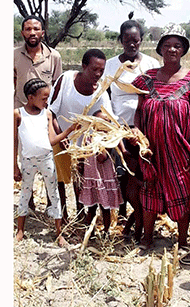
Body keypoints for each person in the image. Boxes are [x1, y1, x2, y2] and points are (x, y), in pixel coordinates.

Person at [132, 23, 190, 250]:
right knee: (150, 192)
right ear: (160, 49)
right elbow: (139, 111)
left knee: (182, 190)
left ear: (183, 50)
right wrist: (136, 131)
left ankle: (182, 242)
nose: (172, 50)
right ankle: (147, 239)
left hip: (180, 151)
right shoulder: (148, 78)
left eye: (177, 46)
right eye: (167, 45)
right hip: (151, 150)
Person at [102, 14, 160, 224]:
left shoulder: (152, 64)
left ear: (141, 40)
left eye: (135, 40)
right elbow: (102, 95)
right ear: (121, 40)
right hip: (119, 128)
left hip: (145, 128)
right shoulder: (110, 65)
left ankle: (142, 214)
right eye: (127, 40)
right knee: (121, 171)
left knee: (143, 171)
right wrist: (110, 125)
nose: (132, 44)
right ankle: (122, 213)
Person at [49, 49, 117, 220]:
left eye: (101, 70)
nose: (98, 74)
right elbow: (51, 111)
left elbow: (107, 118)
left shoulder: (101, 89)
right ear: (84, 66)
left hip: (85, 145)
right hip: (61, 137)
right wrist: (62, 136)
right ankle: (62, 216)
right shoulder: (65, 80)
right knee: (60, 180)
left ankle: (80, 217)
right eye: (94, 69)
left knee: (80, 181)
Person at [14, 15, 66, 216]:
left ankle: (52, 204)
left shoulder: (54, 56)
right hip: (22, 115)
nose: (32, 33)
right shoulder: (14, 55)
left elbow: (57, 86)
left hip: (44, 116)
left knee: (47, 158)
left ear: (43, 33)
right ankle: (29, 202)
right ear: (22, 33)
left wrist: (52, 115)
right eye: (28, 29)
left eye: (36, 29)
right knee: (25, 154)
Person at [14, 78, 77, 244]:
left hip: (46, 159)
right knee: (25, 194)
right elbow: (13, 141)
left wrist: (69, 130)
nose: (46, 102)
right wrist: (14, 166)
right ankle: (20, 230)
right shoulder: (18, 114)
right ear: (30, 97)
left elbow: (52, 140)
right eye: (43, 98)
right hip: (27, 160)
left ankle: (59, 232)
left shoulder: (47, 114)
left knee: (54, 193)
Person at [79, 111, 124, 234]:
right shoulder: (88, 138)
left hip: (104, 177)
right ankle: (90, 231)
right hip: (92, 176)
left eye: (108, 121)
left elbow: (102, 157)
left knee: (105, 208)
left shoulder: (109, 140)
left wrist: (103, 142)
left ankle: (106, 231)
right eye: (102, 121)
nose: (105, 124)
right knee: (92, 207)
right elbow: (83, 156)